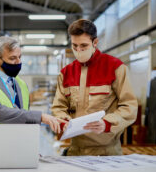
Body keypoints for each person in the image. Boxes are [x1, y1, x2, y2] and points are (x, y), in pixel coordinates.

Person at [51, 19, 138, 156]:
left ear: (95, 43)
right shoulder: (66, 73)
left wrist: (107, 123)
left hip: (107, 152)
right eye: (75, 46)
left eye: (84, 46)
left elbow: (129, 106)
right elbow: (58, 107)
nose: (78, 51)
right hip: (75, 150)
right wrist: (64, 121)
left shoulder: (115, 67)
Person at [0, 36, 66, 135]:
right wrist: (40, 117)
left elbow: (23, 117)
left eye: (19, 57)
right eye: (12, 58)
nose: (18, 62)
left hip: (16, 142)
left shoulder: (21, 84)